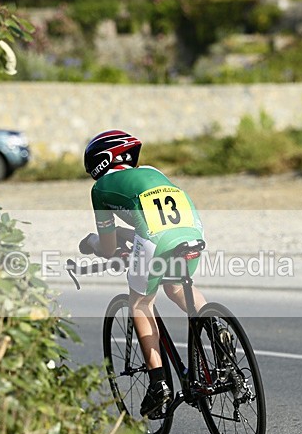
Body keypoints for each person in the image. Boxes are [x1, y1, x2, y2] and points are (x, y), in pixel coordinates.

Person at [78, 129, 208, 418]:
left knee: (140, 302)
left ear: (98, 163)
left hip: (153, 238)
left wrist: (92, 243)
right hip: (191, 229)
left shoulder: (100, 189)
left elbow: (109, 246)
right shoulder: (151, 171)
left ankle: (158, 382)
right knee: (176, 288)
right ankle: (214, 325)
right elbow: (150, 215)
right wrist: (131, 237)